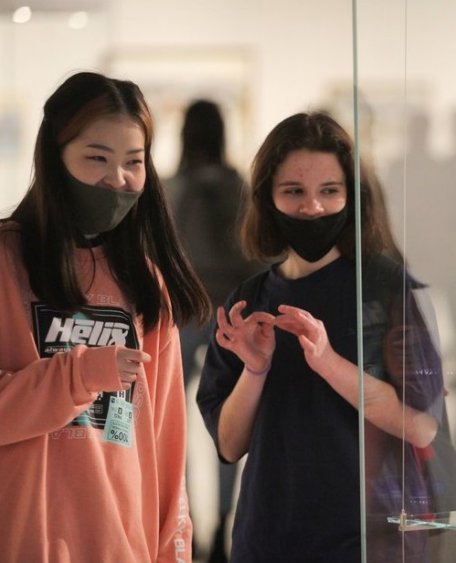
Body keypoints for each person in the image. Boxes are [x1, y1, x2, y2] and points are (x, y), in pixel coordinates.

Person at [0, 71, 209, 562]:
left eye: (133, 162)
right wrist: (76, 376)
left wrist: (174, 553)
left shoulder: (145, 280)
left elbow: (163, 447)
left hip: (117, 546)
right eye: (97, 158)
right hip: (11, 541)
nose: (117, 179)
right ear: (55, 158)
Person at [196, 112, 456, 562]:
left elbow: (424, 427)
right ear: (268, 198)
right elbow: (229, 443)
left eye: (329, 191)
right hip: (269, 538)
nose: (313, 208)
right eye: (293, 191)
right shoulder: (249, 301)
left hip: (370, 538)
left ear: (351, 196)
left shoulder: (386, 290)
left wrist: (329, 363)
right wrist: (255, 371)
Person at [166, 99, 258, 562]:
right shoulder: (238, 187)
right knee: (227, 424)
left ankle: (181, 519)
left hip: (182, 313)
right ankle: (223, 522)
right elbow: (254, 253)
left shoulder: (171, 188)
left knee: (171, 423)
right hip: (231, 312)